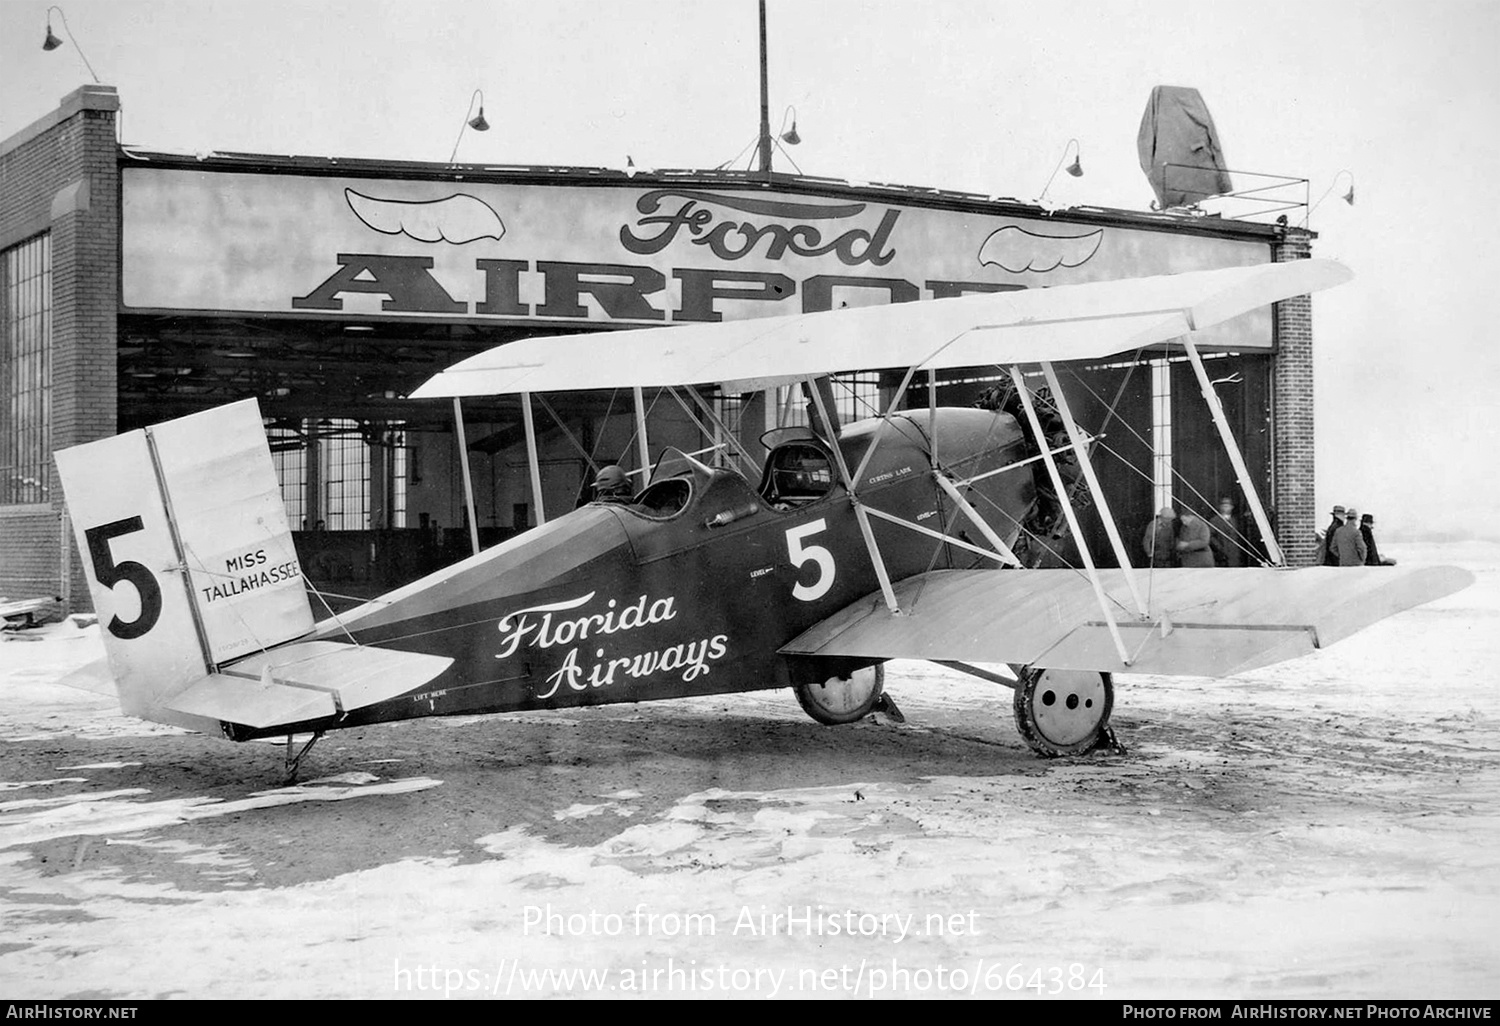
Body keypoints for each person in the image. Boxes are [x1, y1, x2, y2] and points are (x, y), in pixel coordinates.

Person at [1208, 496, 1243, 568]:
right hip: (1221, 556)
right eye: (1224, 506)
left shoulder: (1236, 521)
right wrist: (1219, 548)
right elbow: (1210, 536)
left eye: (1227, 506)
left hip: (1234, 556)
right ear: (1220, 507)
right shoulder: (1214, 521)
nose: (1225, 508)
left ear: (1232, 507)